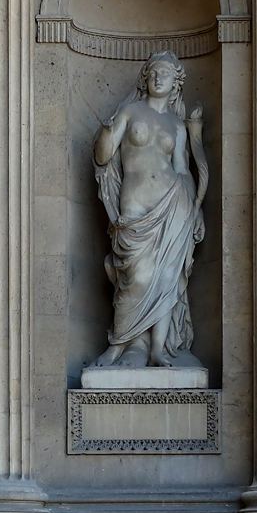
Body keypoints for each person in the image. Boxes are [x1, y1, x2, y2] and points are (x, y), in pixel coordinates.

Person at [92, 51, 208, 368]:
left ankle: (157, 349)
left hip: (174, 204)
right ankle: (118, 345)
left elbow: (182, 168)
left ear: (176, 83)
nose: (159, 78)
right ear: (146, 78)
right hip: (136, 207)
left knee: (168, 278)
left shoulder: (177, 126)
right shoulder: (129, 112)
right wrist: (105, 132)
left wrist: (195, 209)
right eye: (154, 72)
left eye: (166, 74)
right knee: (138, 277)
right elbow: (103, 157)